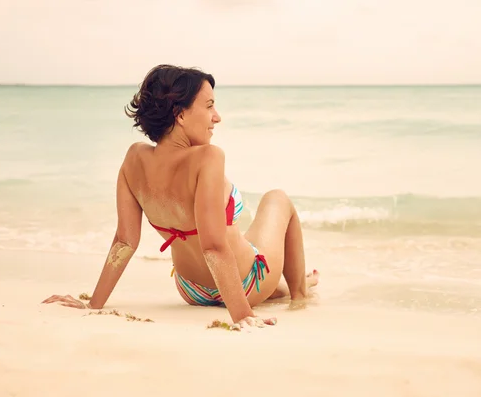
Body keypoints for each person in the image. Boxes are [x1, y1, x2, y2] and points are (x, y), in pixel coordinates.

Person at [42, 65, 319, 330]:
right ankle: (300, 294)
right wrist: (243, 315)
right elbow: (212, 246)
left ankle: (286, 285)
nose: (217, 117)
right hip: (245, 287)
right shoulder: (208, 157)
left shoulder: (134, 159)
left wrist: (94, 303)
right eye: (209, 106)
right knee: (277, 198)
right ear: (180, 114)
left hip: (191, 290)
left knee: (252, 251)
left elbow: (125, 241)